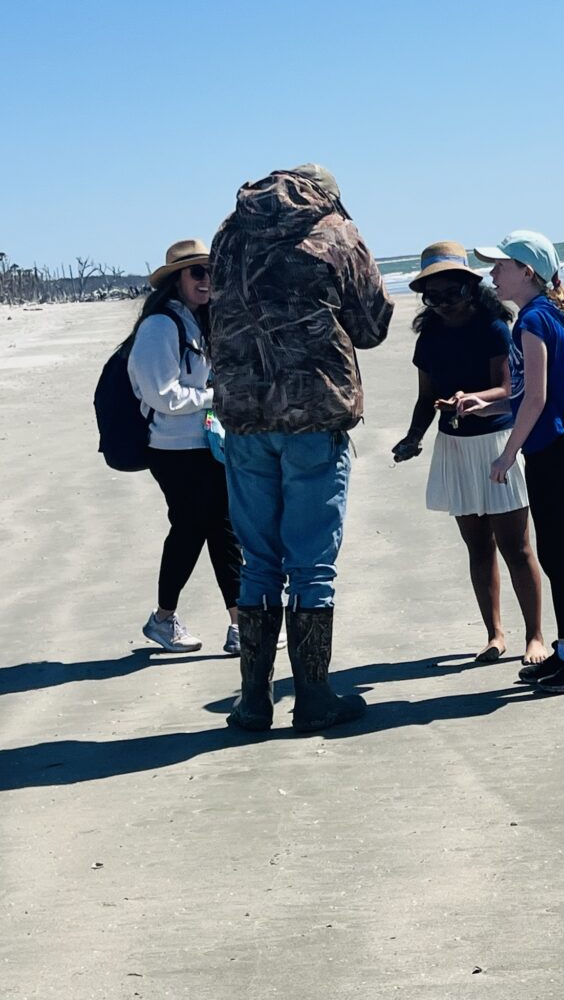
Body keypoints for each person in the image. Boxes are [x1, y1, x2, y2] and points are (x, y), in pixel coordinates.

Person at [209, 164, 394, 733]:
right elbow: (372, 326)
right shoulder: (337, 232)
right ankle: (313, 698)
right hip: (313, 412)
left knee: (259, 562)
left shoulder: (228, 233)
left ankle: (253, 702)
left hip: (243, 415)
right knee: (311, 564)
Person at [460, 231, 564, 693]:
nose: (492, 274)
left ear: (527, 272)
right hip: (552, 447)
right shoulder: (541, 314)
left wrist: (506, 454)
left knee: (556, 557)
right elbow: (526, 393)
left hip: (552, 449)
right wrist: (482, 406)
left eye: (500, 267)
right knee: (551, 554)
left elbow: (539, 398)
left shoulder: (533, 320)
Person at [392, 241, 547, 665]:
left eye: (451, 294)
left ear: (470, 287)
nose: (442, 304)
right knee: (477, 547)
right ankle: (495, 635)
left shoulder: (493, 326)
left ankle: (535, 636)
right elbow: (426, 397)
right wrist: (413, 438)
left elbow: (509, 390)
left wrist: (471, 397)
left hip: (498, 442)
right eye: (432, 297)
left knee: (515, 546)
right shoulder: (430, 335)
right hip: (454, 446)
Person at [127, 239, 242, 654]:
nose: (206, 280)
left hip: (204, 445)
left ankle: (233, 623)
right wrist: (215, 396)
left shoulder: (197, 321)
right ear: (175, 280)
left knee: (215, 528)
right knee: (200, 528)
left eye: (211, 271)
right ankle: (169, 618)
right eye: (196, 272)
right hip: (173, 451)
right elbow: (163, 396)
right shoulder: (160, 326)